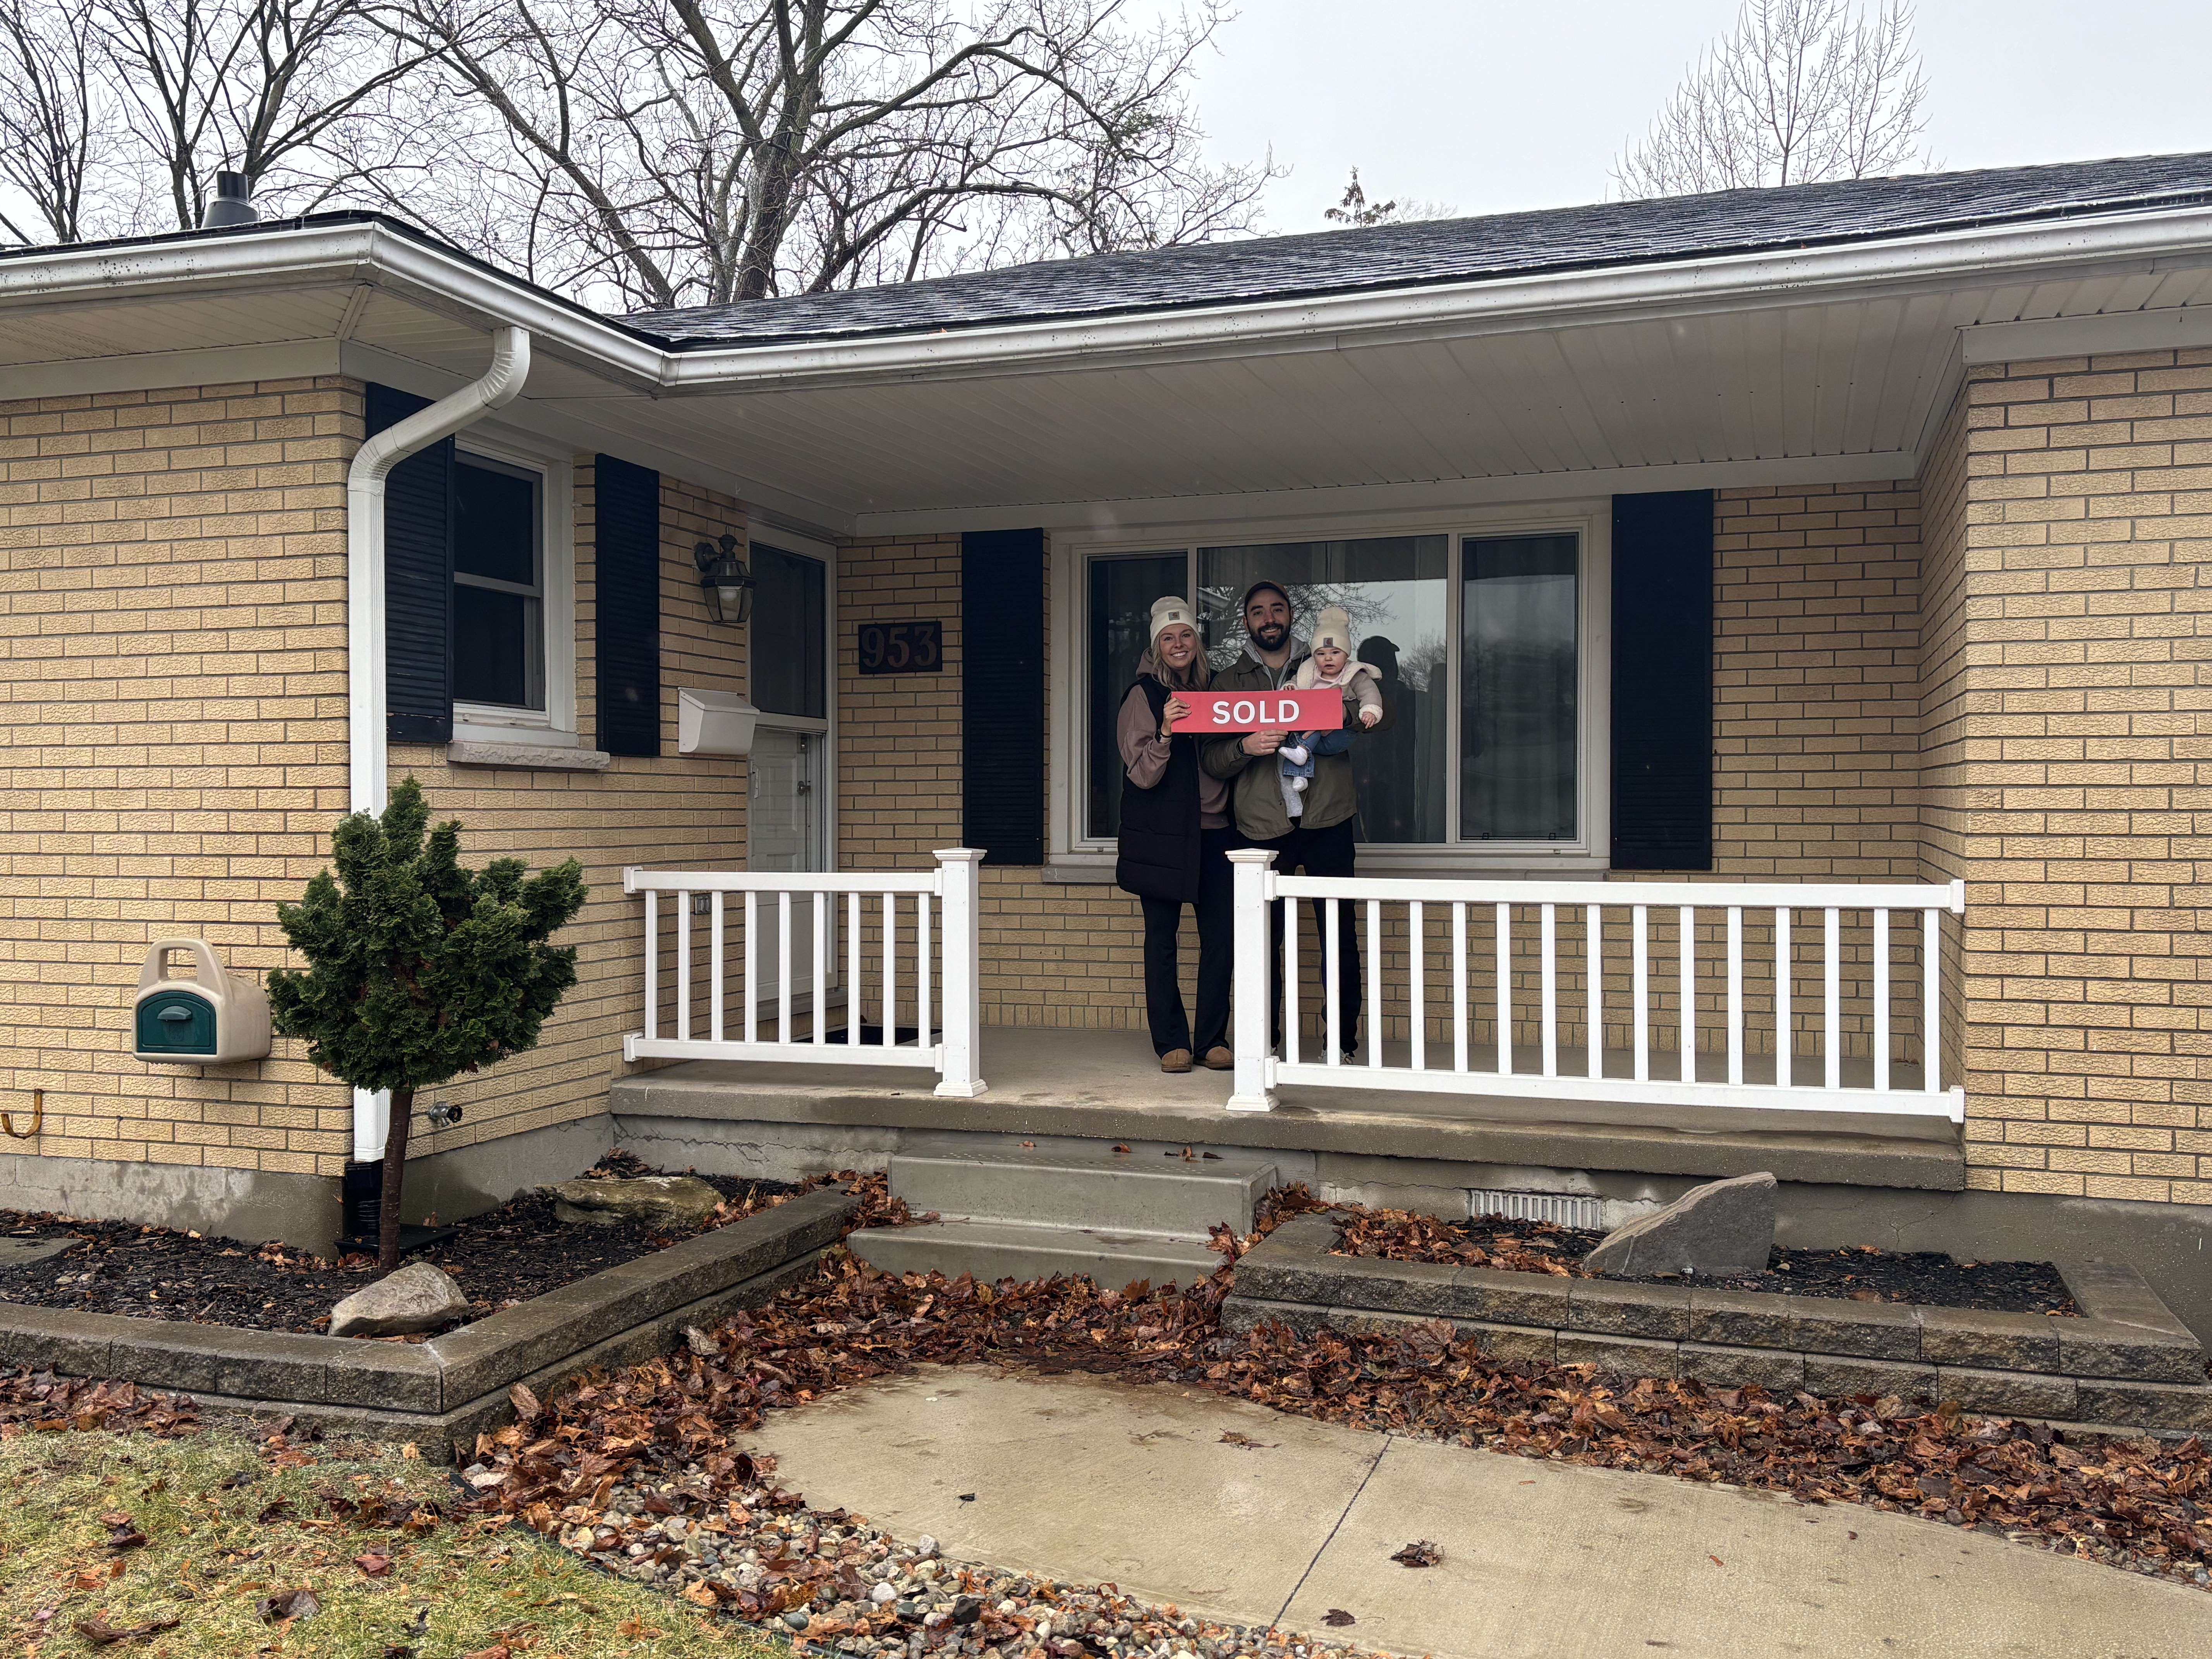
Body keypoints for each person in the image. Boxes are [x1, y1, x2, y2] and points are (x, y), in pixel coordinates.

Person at [1202, 583, 1388, 1059]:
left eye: (1277, 610)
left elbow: (1373, 720)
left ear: (1290, 616)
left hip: (1327, 817)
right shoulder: (1227, 683)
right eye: (1258, 612)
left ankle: (1342, 1044)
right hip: (1261, 826)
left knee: (1338, 935)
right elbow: (1210, 761)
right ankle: (1264, 1045)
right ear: (1247, 621)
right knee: (1262, 942)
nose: (1269, 619)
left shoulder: (1328, 665)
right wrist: (1246, 747)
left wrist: (1339, 709)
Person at [1114, 596, 1235, 1075]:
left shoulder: (1217, 690)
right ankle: (1171, 1042)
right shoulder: (1142, 696)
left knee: (1220, 939)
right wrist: (1165, 733)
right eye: (1168, 637)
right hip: (1162, 836)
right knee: (1161, 940)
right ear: (1157, 646)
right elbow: (1141, 774)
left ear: (1197, 642)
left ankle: (1212, 1039)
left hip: (1217, 832)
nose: (1178, 644)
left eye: (1185, 635)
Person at [1277, 605, 1383, 800]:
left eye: (1335, 652)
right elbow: (1297, 683)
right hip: (1314, 736)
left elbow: (1370, 692)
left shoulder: (1353, 673)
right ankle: (1300, 776)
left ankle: (1301, 759)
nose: (1328, 658)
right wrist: (1290, 687)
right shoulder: (1309, 672)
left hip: (1339, 735)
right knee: (1295, 734)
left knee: (1315, 722)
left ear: (1346, 654)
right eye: (1321, 653)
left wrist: (1369, 710)